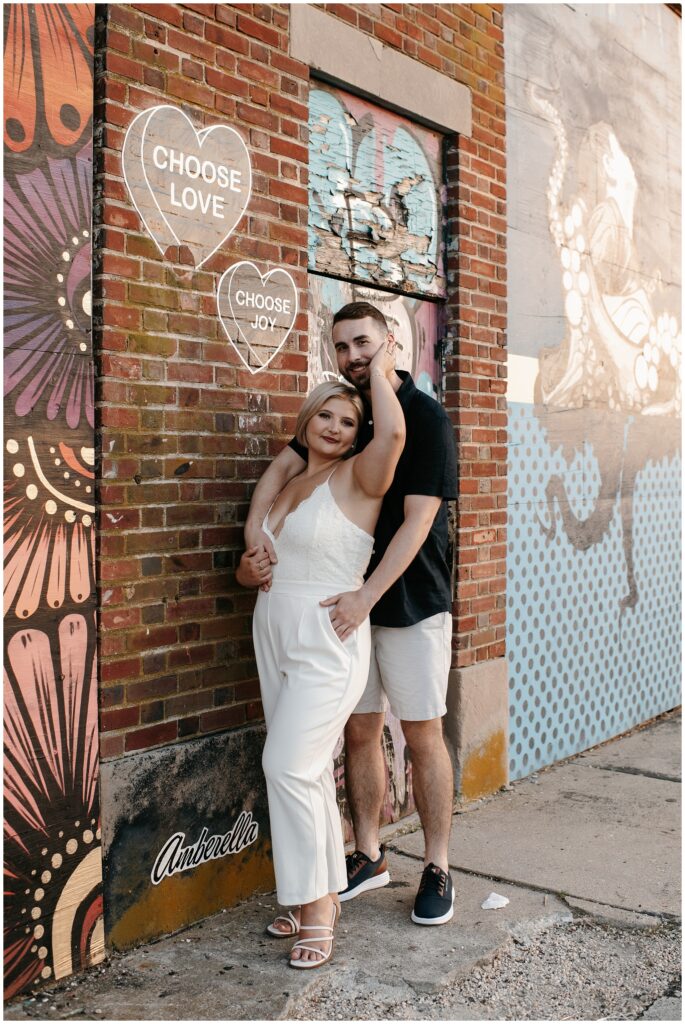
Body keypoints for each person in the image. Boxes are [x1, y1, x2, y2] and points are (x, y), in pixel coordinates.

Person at [242, 301, 458, 930]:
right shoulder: (345, 412)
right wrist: (255, 531)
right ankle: (368, 853)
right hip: (340, 611)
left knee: (422, 733)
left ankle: (438, 864)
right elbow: (282, 468)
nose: (353, 355)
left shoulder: (424, 417)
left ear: (389, 342)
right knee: (359, 733)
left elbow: (418, 522)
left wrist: (368, 594)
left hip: (408, 602)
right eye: (341, 347)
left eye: (362, 343)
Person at [236, 339, 405, 969]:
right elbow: (249, 573)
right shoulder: (284, 483)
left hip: (327, 638)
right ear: (307, 420)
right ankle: (310, 891)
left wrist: (380, 373)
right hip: (271, 631)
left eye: (348, 421)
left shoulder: (360, 476)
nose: (336, 428)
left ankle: (320, 905)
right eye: (326, 416)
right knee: (299, 772)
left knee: (286, 763)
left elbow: (391, 435)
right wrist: (250, 569)